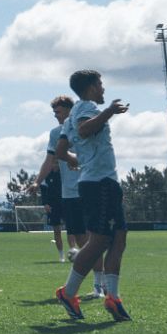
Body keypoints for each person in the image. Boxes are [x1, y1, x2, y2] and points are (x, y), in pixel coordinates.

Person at [55, 70, 132, 322]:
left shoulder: (70, 117)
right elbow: (84, 130)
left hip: (101, 181)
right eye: (100, 84)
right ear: (90, 87)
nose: (103, 89)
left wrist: (79, 161)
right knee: (99, 241)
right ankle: (68, 293)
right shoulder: (87, 107)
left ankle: (113, 297)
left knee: (119, 238)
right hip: (99, 183)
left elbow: (61, 150)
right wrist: (109, 111)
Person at [33, 95, 104, 296]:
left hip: (88, 189)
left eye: (58, 112)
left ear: (69, 111)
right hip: (68, 194)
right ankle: (99, 283)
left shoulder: (85, 128)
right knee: (82, 241)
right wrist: (37, 182)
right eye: (54, 112)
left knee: (92, 239)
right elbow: (49, 160)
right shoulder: (55, 133)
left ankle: (99, 285)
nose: (56, 115)